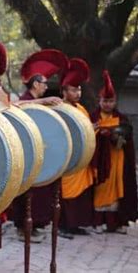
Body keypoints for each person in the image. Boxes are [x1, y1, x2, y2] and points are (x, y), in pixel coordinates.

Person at [10, 49, 68, 243]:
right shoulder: (26, 98)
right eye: (44, 83)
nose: (46, 87)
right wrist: (41, 101)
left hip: (39, 151)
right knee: (27, 192)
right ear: (35, 84)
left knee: (39, 194)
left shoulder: (39, 100)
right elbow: (16, 106)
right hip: (26, 152)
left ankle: (32, 227)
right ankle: (22, 229)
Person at [90, 71, 138, 234]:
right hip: (100, 161)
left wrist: (117, 136)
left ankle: (116, 223)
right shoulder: (94, 117)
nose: (108, 104)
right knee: (101, 188)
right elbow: (88, 136)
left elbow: (127, 138)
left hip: (118, 158)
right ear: (100, 101)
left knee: (118, 188)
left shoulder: (122, 118)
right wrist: (99, 133)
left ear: (115, 101)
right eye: (105, 101)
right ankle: (98, 222)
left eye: (111, 101)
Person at [58, 58, 95, 238]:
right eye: (73, 89)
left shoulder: (81, 108)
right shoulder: (60, 108)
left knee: (81, 193)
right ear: (64, 91)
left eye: (79, 89)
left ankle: (77, 225)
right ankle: (63, 226)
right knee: (66, 193)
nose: (77, 92)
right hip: (67, 159)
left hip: (82, 158)